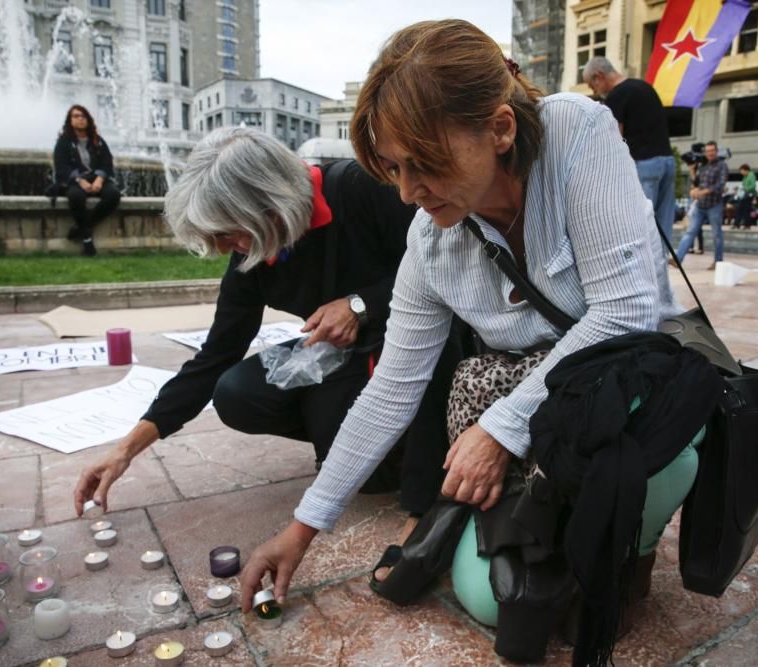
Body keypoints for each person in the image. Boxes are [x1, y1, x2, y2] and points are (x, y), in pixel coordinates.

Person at [240, 19, 704, 662]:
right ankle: (565, 525)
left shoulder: (577, 132)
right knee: (488, 596)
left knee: (653, 460)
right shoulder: (431, 242)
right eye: (395, 170)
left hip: (630, 380)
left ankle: (632, 551)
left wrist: (498, 431)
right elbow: (391, 391)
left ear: (501, 128)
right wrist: (302, 528)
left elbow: (626, 311)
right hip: (540, 405)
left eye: (424, 164)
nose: (408, 192)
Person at [73, 127, 462, 533]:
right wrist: (124, 451)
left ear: (266, 203)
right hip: (341, 353)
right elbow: (215, 357)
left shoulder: (358, 189)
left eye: (226, 232)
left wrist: (359, 305)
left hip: (412, 342)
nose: (224, 247)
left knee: (376, 465)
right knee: (235, 392)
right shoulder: (254, 252)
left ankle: (405, 468)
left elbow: (445, 264)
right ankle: (346, 433)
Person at [583, 57, 675, 251]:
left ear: (599, 76)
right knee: (662, 238)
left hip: (644, 165)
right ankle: (661, 280)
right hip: (667, 161)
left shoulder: (617, 96)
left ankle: (650, 280)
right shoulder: (644, 87)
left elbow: (613, 140)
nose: (595, 91)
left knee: (644, 234)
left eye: (593, 85)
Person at [52, 105, 121, 256]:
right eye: (76, 116)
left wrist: (100, 179)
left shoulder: (98, 141)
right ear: (70, 120)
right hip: (74, 181)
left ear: (88, 120)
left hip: (96, 179)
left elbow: (107, 162)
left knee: (113, 195)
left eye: (83, 116)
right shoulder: (63, 142)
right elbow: (61, 167)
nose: (80, 119)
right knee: (76, 196)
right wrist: (79, 180)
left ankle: (82, 226)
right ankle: (87, 239)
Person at [674, 141, 728, 269]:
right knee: (690, 231)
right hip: (700, 205)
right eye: (707, 151)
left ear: (716, 151)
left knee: (716, 235)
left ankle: (718, 263)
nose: (710, 153)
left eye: (712, 150)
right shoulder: (703, 167)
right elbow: (697, 183)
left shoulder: (722, 166)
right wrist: (692, 174)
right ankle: (678, 259)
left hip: (714, 205)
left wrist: (702, 191)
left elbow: (720, 185)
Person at [733, 163, 758, 228]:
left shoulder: (751, 175)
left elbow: (753, 186)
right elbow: (743, 184)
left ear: (745, 170)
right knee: (739, 208)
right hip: (744, 194)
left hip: (749, 194)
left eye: (741, 171)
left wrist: (745, 188)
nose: (741, 173)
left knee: (746, 210)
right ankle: (737, 224)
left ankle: (747, 225)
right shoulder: (745, 176)